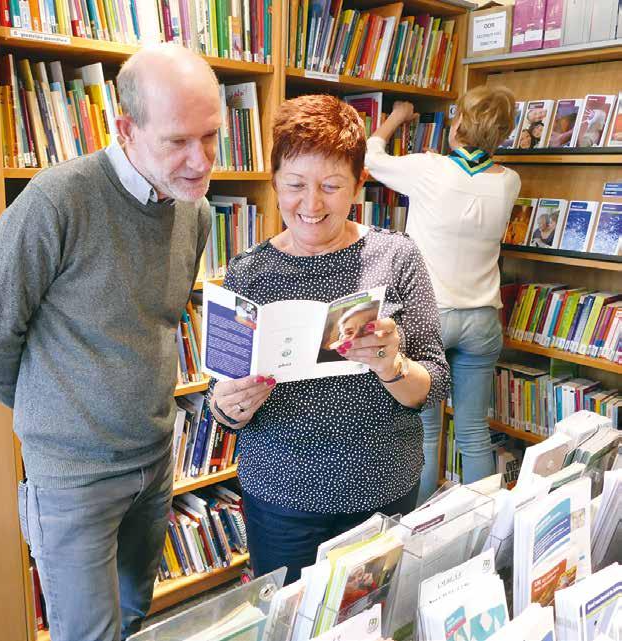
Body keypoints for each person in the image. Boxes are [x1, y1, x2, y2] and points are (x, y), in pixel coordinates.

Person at [0, 45, 221, 641]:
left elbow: (161, 318)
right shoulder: (56, 203)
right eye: (178, 141)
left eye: (210, 136)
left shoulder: (195, 212)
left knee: (132, 616)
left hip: (155, 461)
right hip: (73, 480)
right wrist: (60, 418)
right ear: (126, 129)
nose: (200, 160)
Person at [208, 94, 450, 584]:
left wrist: (391, 364)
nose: (311, 204)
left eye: (331, 186)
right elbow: (222, 407)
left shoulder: (396, 257)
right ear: (274, 182)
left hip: (382, 489)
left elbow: (435, 384)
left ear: (359, 184)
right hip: (281, 497)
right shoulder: (248, 272)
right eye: (295, 185)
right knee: (288, 622)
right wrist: (230, 404)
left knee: (376, 624)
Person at [365, 85, 522, 505]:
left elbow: (370, 157)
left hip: (430, 315)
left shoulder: (428, 168)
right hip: (483, 320)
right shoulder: (510, 182)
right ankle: (479, 530)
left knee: (426, 428)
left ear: (456, 128)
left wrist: (397, 116)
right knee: (472, 430)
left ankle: (418, 523)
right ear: (503, 134)